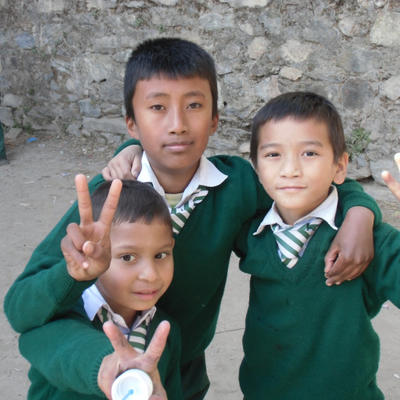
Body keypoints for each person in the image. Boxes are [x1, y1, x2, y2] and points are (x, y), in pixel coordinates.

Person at [4, 38, 381, 400]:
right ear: (131, 123)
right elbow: (22, 305)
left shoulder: (236, 185)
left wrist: (359, 211)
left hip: (181, 365)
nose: (178, 124)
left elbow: (312, 186)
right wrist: (72, 273)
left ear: (215, 119)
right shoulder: (112, 194)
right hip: (89, 363)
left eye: (194, 105)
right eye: (157, 107)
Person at [237, 91, 400, 400]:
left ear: (340, 167)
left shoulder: (370, 241)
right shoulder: (250, 230)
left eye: (309, 153)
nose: (290, 169)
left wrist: (361, 212)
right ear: (256, 169)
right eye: (273, 155)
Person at [18, 177, 183, 399]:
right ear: (94, 253)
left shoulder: (165, 333)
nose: (151, 274)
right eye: (128, 257)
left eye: (161, 255)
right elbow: (20, 316)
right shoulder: (56, 315)